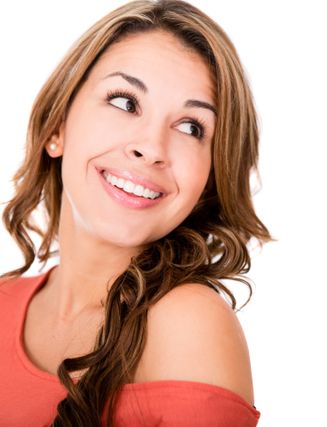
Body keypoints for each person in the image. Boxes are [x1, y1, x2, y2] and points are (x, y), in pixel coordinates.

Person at [0, 0, 271, 425]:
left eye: (190, 127)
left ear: (210, 177)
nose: (152, 149)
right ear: (57, 128)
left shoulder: (188, 323)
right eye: (125, 102)